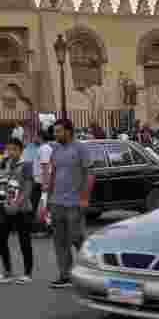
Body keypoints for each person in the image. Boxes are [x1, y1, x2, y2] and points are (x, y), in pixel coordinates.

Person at [45, 119, 95, 288]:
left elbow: (90, 174)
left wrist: (85, 198)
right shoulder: (56, 149)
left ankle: (90, 271)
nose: (55, 134)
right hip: (57, 202)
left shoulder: (81, 148)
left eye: (58, 131)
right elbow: (53, 174)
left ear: (68, 131)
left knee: (77, 237)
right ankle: (65, 275)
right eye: (55, 131)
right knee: (59, 240)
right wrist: (48, 198)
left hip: (74, 202)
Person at [0, 139, 35, 284]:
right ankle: (7, 272)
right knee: (1, 237)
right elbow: (8, 182)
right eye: (8, 149)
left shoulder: (26, 165)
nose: (10, 152)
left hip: (22, 208)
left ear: (20, 150)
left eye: (13, 150)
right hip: (8, 206)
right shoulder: (9, 163)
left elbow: (28, 188)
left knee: (24, 240)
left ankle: (27, 274)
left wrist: (18, 204)